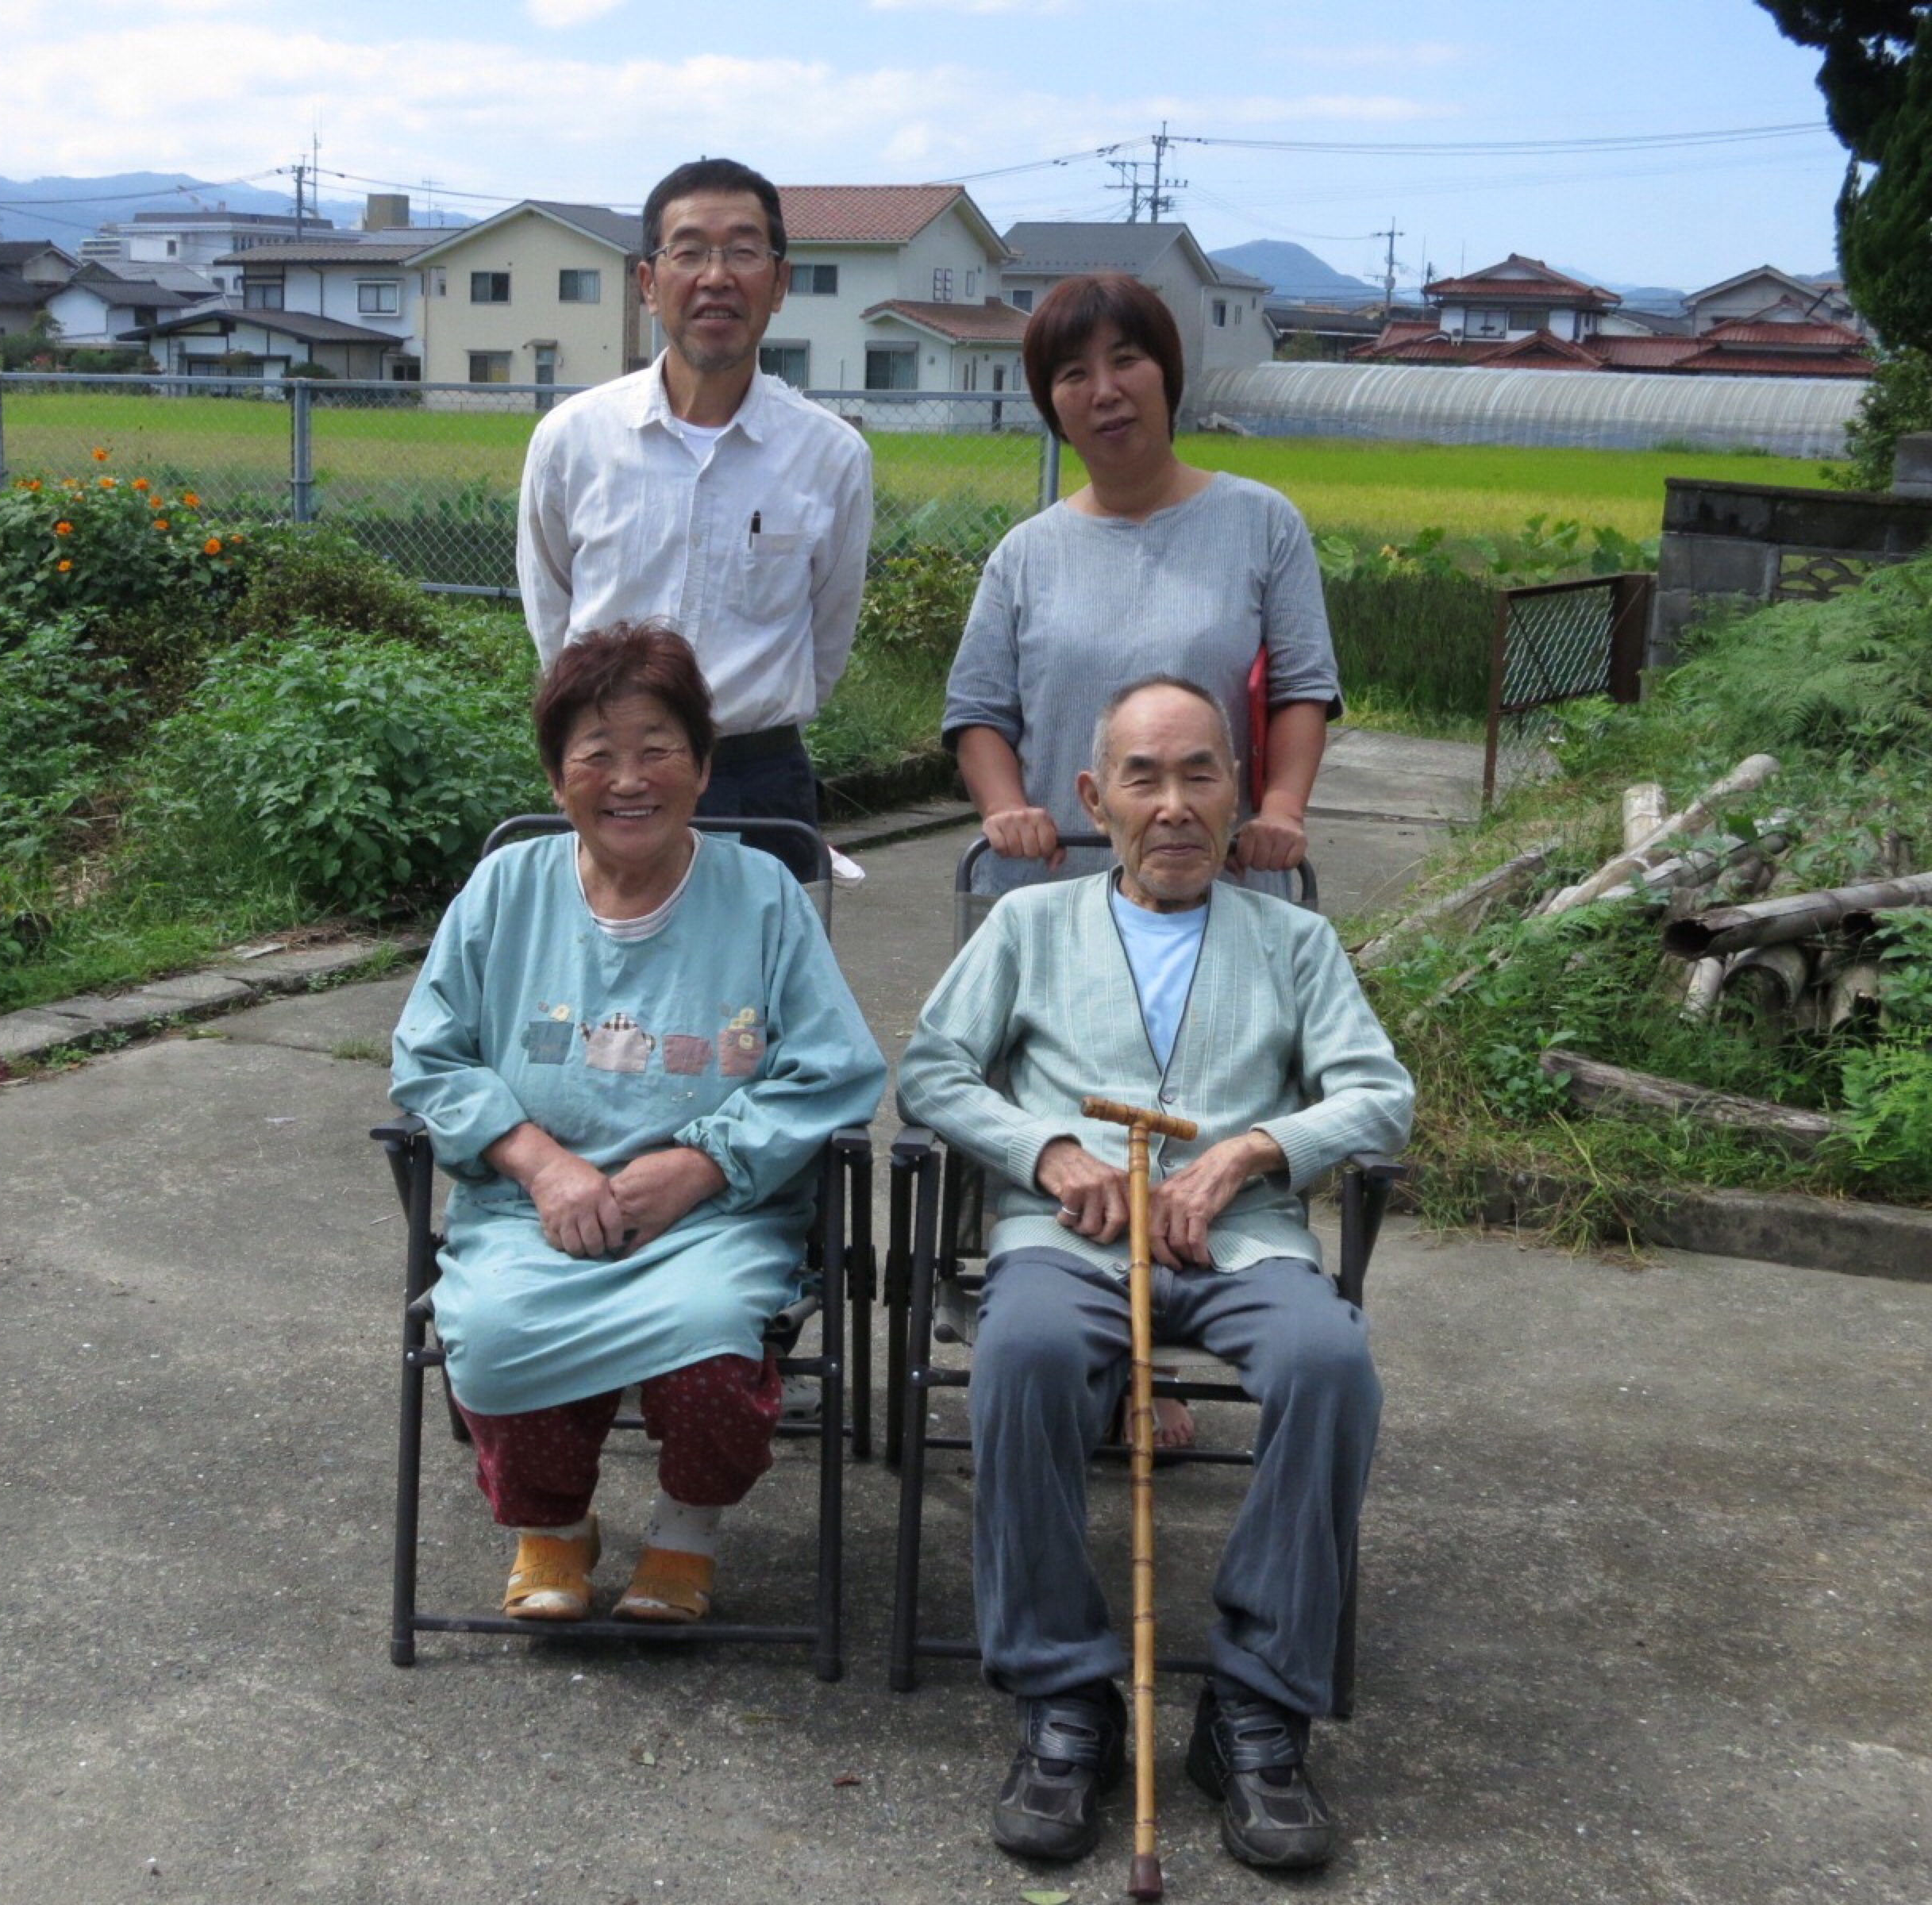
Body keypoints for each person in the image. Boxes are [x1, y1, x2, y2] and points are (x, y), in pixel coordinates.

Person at [898, 676, 1413, 1873]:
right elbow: (932, 1070)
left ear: (1237, 793)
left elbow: (1379, 1094)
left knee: (1330, 1366)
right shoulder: (1026, 926)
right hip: (1068, 1237)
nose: (1173, 805)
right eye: (1144, 778)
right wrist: (1048, 1150)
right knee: (1022, 1356)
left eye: (1199, 774)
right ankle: (1064, 1696)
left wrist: (1248, 1151)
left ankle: (1256, 1705)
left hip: (1242, 1241)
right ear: (1095, 799)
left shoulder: (1294, 942)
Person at [390, 622, 887, 1625]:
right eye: (595, 754)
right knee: (490, 1333)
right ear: (554, 775)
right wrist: (541, 1165)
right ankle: (554, 1529)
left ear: (702, 767)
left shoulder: (761, 895)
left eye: (658, 748)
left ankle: (683, 1537)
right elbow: (427, 1057)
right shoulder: (504, 890)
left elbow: (834, 1069)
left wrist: (702, 1164)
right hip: (532, 1216)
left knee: (709, 1349)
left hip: (713, 1221)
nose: (628, 780)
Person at [518, 158, 874, 881]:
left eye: (743, 251)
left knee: (771, 958)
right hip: (612, 777)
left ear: (779, 283)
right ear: (649, 283)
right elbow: (553, 617)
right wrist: (613, 728)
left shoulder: (831, 456)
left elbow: (827, 636)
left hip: (760, 777)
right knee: (601, 954)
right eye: (689, 253)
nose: (717, 277)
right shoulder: (573, 439)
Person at [946, 273, 1342, 900]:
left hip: (1225, 887)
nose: (1105, 391)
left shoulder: (1263, 524)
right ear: (1052, 406)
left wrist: (1282, 811)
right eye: (1074, 374)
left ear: (1167, 374)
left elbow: (1302, 690)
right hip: (1054, 893)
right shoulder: (1024, 554)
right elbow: (978, 713)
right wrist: (1004, 809)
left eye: (1126, 360)